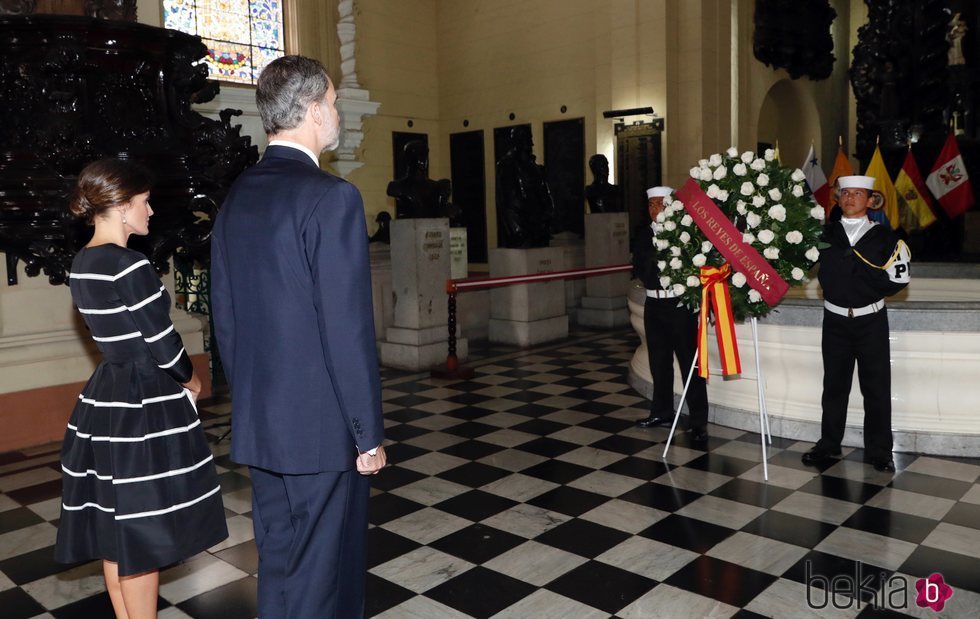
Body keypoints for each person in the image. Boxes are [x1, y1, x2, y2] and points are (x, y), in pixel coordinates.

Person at [210, 55, 386, 618]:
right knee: (324, 581)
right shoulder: (331, 197)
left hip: (262, 425)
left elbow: (226, 322)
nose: (337, 112)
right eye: (333, 102)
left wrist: (253, 406)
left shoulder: (236, 199)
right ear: (313, 111)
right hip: (321, 431)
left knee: (281, 571)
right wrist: (367, 435)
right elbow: (347, 330)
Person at [56, 158, 227, 619]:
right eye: (145, 203)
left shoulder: (83, 262)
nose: (150, 212)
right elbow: (164, 345)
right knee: (144, 535)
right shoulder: (129, 265)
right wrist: (192, 379)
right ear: (120, 205)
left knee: (117, 528)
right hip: (143, 400)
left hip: (106, 396)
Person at [802, 175, 910, 473]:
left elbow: (899, 279)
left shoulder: (886, 238)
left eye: (857, 193)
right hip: (834, 320)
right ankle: (828, 443)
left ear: (871, 200)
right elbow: (800, 262)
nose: (849, 198)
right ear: (838, 198)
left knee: (876, 387)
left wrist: (863, 281)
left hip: (871, 321)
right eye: (844, 193)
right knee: (834, 386)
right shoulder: (825, 234)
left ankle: (879, 451)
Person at [633, 186, 709, 442]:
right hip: (654, 305)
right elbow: (642, 271)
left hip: (679, 306)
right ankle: (662, 412)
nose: (655, 209)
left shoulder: (684, 235)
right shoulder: (643, 235)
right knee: (659, 362)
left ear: (671, 206)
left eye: (660, 204)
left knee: (689, 363)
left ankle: (699, 421)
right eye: (651, 205)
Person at [495, 125, 555, 248]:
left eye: (529, 137)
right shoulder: (506, 165)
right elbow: (507, 201)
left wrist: (546, 217)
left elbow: (546, 196)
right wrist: (518, 231)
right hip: (522, 233)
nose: (528, 141)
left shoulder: (537, 169)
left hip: (539, 230)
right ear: (515, 140)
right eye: (523, 137)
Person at [386, 140, 456, 221]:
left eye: (425, 155)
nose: (424, 160)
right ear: (409, 159)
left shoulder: (436, 186)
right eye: (419, 155)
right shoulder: (396, 187)